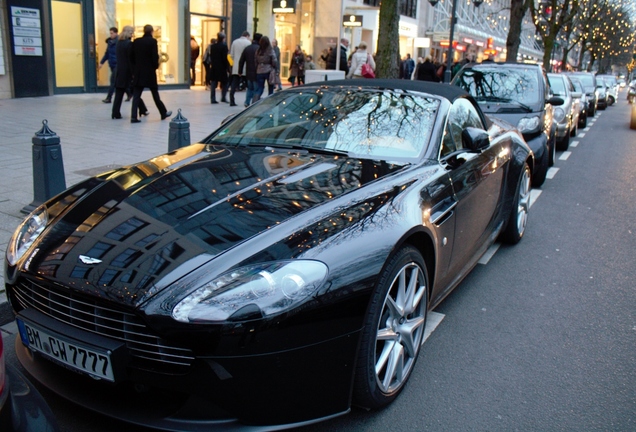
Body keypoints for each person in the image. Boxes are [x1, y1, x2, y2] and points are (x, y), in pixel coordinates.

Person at [129, 24, 172, 123]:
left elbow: (131, 57)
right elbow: (154, 57)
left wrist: (134, 69)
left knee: (136, 95)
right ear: (152, 31)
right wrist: (155, 66)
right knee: (155, 93)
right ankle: (163, 112)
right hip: (149, 72)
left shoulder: (136, 41)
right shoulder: (153, 41)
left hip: (139, 72)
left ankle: (133, 116)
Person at [111, 26, 148, 120]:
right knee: (135, 93)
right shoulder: (129, 44)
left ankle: (115, 113)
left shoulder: (118, 43)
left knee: (119, 94)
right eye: (132, 33)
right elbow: (131, 60)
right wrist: (134, 72)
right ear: (129, 33)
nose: (132, 35)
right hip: (127, 72)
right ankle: (143, 109)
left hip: (119, 71)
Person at [229, 31, 251, 106]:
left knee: (234, 84)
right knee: (248, 85)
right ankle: (247, 101)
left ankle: (231, 100)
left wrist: (233, 63)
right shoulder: (248, 43)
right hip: (245, 67)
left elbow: (231, 55)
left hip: (235, 67)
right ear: (247, 36)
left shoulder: (235, 42)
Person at [239, 33, 261, 107]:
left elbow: (241, 60)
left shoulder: (247, 48)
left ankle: (247, 102)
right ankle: (254, 103)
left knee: (249, 88)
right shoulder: (259, 49)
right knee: (256, 89)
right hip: (257, 72)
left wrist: (240, 71)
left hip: (248, 72)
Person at [253, 35, 277, 103]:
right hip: (268, 70)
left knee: (260, 88)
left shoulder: (258, 51)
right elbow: (274, 60)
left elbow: (255, 61)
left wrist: (257, 68)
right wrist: (273, 66)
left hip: (259, 70)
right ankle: (270, 102)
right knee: (270, 88)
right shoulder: (270, 50)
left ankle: (255, 101)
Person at [208, 32, 230, 104]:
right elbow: (224, 58)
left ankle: (213, 98)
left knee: (213, 83)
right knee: (225, 83)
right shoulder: (224, 46)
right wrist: (227, 67)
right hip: (222, 67)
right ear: (223, 38)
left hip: (214, 66)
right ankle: (223, 97)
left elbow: (211, 56)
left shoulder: (213, 46)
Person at [99, 27, 118, 103]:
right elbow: (107, 54)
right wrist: (101, 62)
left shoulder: (119, 42)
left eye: (112, 33)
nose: (111, 35)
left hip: (118, 64)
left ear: (116, 33)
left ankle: (109, 98)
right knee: (117, 81)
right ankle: (129, 93)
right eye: (110, 33)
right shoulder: (110, 42)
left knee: (112, 81)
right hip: (112, 64)